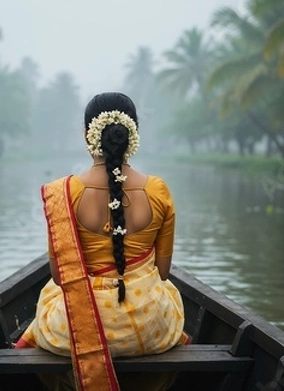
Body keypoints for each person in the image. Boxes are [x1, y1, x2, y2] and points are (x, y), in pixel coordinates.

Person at [15, 92, 189, 390]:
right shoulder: (158, 190)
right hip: (149, 328)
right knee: (168, 292)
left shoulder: (64, 193)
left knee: (47, 296)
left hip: (76, 329)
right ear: (133, 133)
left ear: (87, 134)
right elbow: (162, 272)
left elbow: (60, 277)